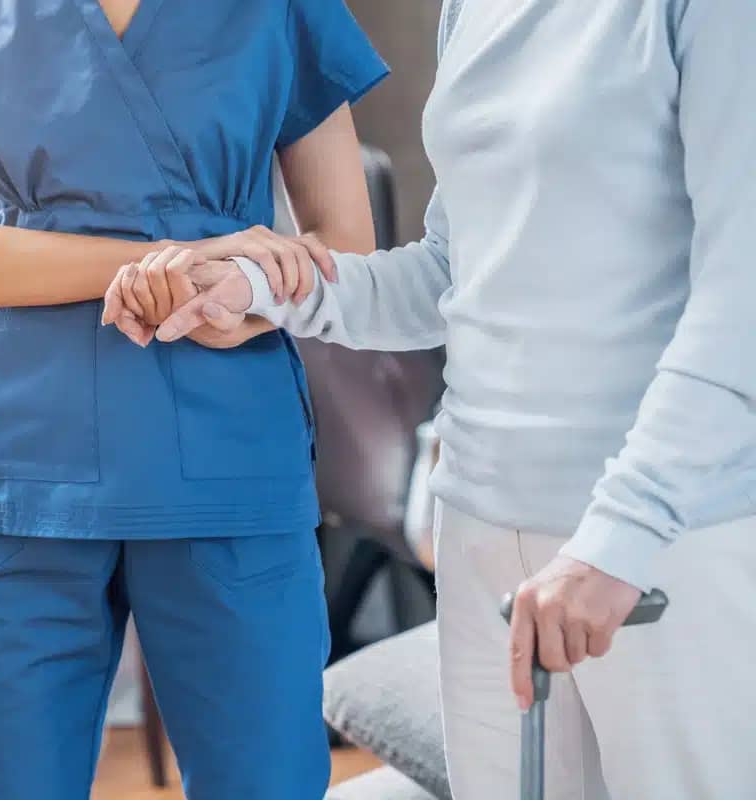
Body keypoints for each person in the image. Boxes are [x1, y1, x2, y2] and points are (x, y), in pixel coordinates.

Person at [105, 0, 756, 797]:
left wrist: (620, 538)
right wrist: (262, 290)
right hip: (481, 523)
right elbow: (451, 269)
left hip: (655, 542)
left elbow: (741, 301)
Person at [0, 2, 388, 798]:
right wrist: (163, 258)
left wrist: (244, 296)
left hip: (230, 462)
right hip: (27, 469)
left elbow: (346, 248)